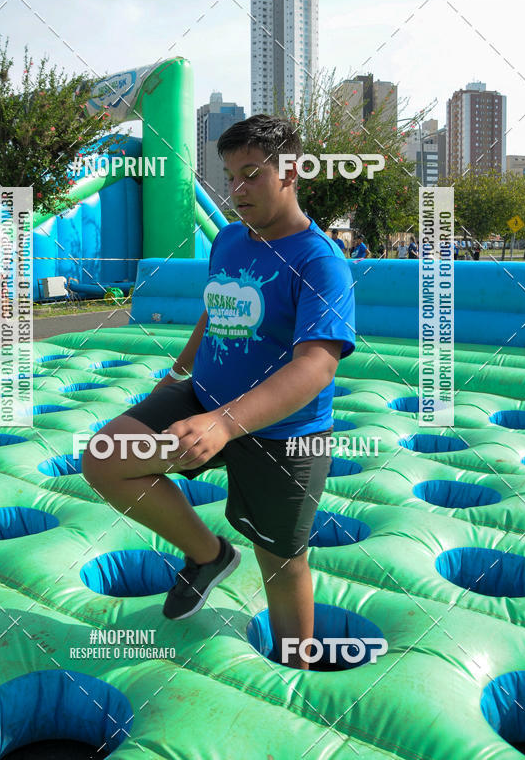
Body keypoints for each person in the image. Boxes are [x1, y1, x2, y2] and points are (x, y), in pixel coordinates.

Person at [82, 115, 356, 670]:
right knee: (105, 457)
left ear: (293, 172)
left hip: (283, 432)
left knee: (281, 563)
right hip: (201, 398)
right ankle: (208, 556)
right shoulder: (229, 238)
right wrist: (179, 372)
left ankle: (295, 674)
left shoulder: (321, 261)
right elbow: (218, 306)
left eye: (252, 175)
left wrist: (227, 424)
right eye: (230, 176)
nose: (237, 191)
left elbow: (316, 367)